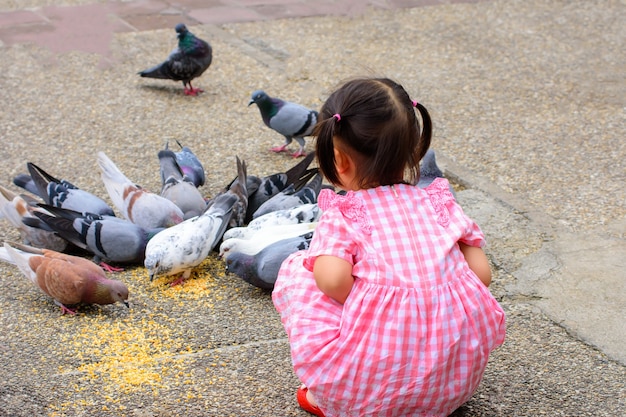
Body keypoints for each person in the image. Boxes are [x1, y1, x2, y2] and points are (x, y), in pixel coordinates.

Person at [272, 77, 506, 417]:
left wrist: (370, 308)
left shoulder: (345, 216)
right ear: (415, 150)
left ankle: (334, 395)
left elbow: (334, 281)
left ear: (339, 161)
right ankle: (428, 390)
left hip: (368, 389)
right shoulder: (440, 205)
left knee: (301, 271)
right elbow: (481, 277)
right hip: (451, 388)